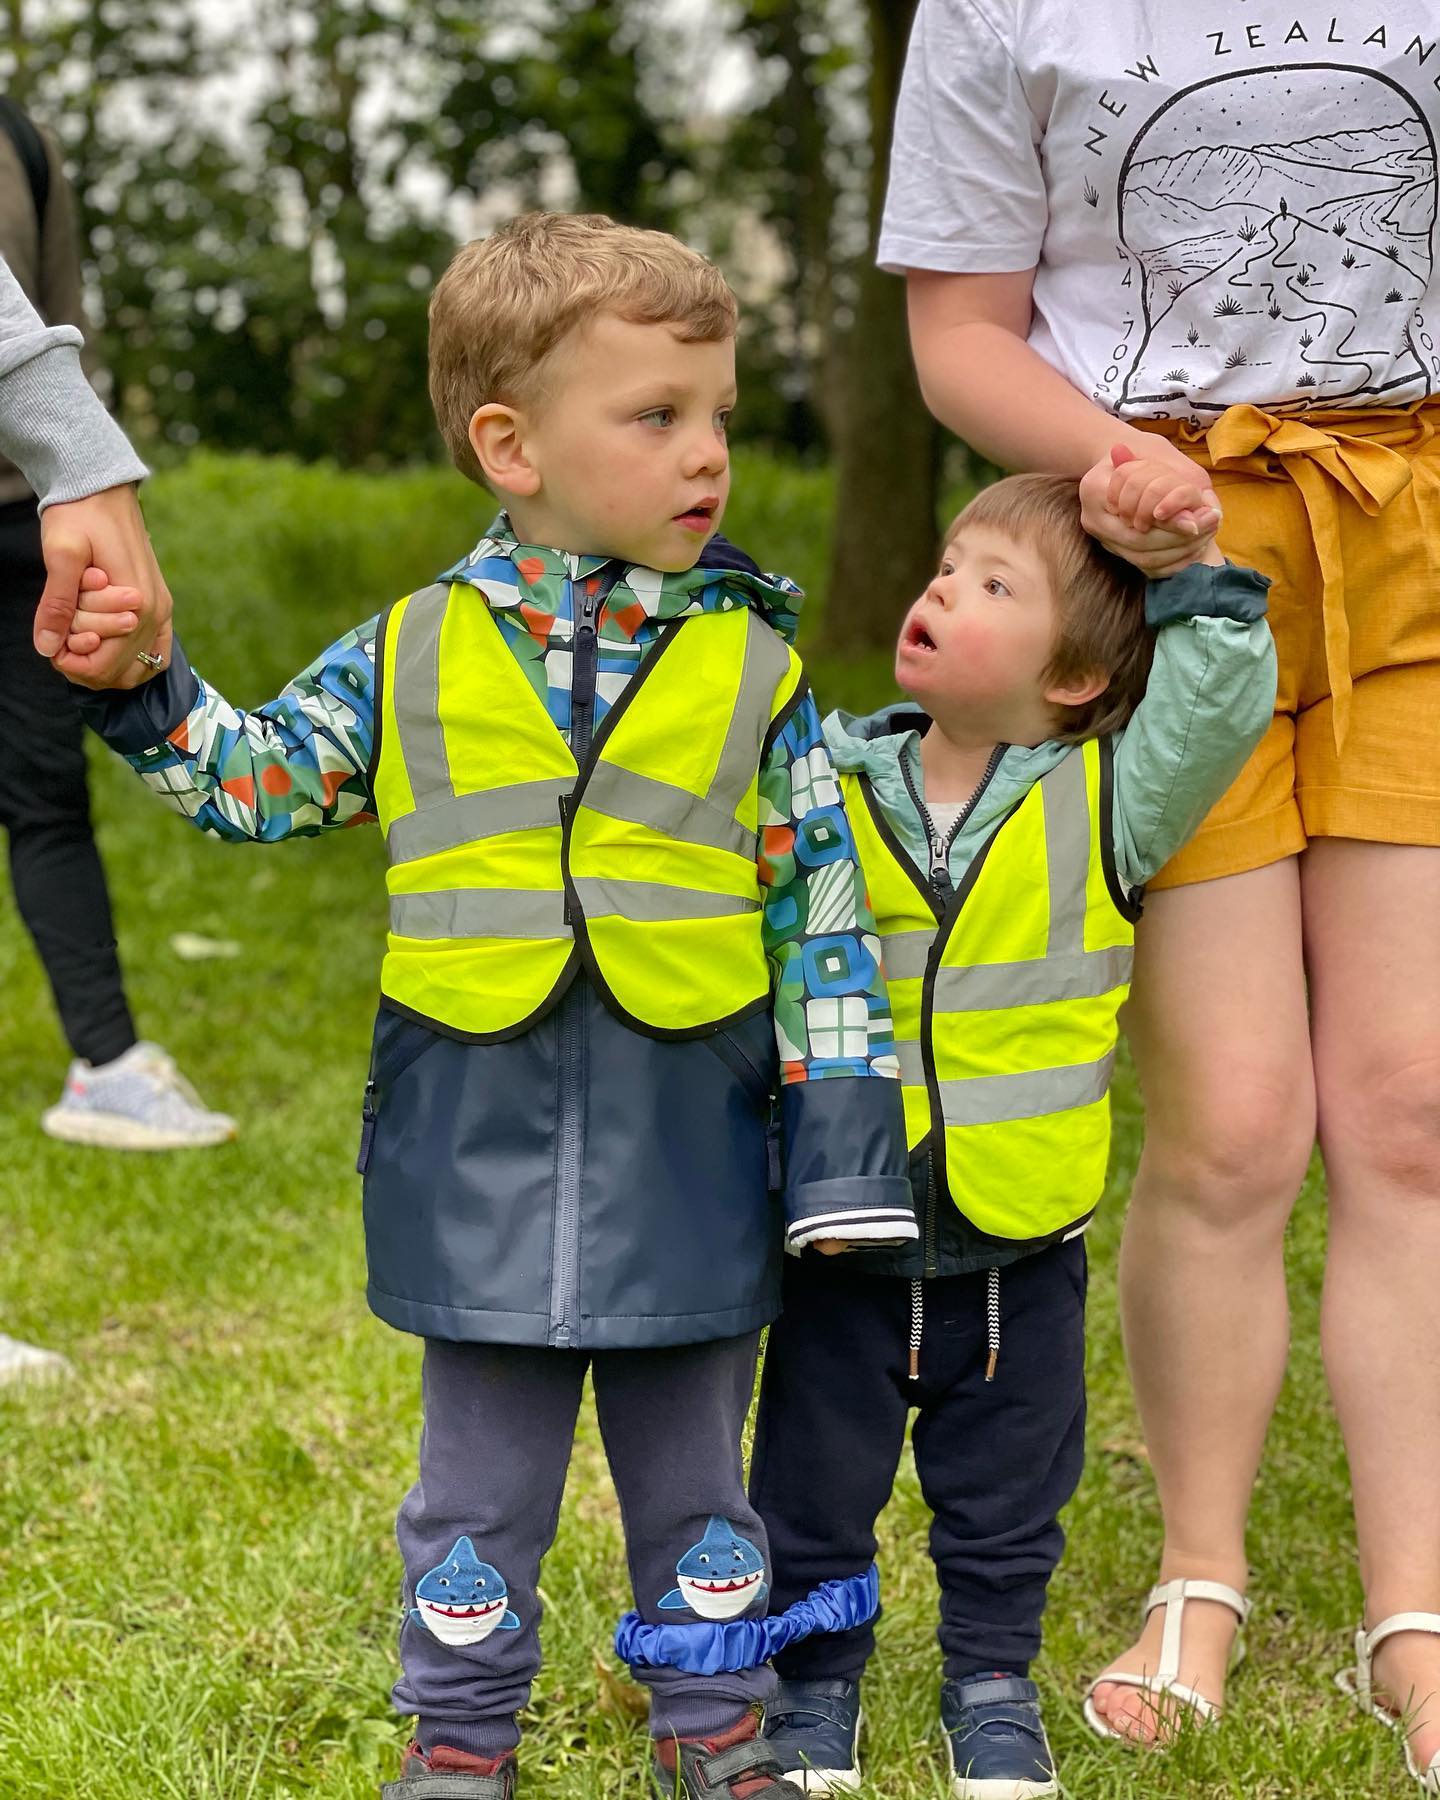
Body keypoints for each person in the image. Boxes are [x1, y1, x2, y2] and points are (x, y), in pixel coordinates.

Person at [65, 211, 913, 1800]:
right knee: (475, 1493)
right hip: (470, 1141)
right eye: (657, 416)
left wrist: (849, 1160)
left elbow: (829, 925)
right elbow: (255, 786)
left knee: (696, 1489)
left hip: (698, 1139)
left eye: (718, 413)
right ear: (509, 445)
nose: (708, 451)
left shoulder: (760, 671)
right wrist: (142, 687)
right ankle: (460, 1742)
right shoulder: (406, 652)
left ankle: (716, 1735)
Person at [877, 3, 1440, 1786]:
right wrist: (1116, 471)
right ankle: (1201, 1577)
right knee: (1233, 1126)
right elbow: (959, 332)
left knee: (1416, 1113)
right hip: (1160, 564)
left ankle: (1417, 1608)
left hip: (1415, 530)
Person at [749, 467, 1274, 1799]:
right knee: (812, 1489)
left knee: (1007, 1500)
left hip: (1017, 1238)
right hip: (842, 1219)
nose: (942, 591)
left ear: (1080, 682)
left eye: (995, 587)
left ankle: (990, 1684)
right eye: (946, 567)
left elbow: (1216, 695)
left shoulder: (1111, 801)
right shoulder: (826, 776)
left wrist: (1189, 558)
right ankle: (813, 1691)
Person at [0, 100, 231, 1150]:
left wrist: (72, 471)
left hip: (20, 521)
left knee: (46, 795)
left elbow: (53, 320)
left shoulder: (22, 139)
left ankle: (105, 1066)